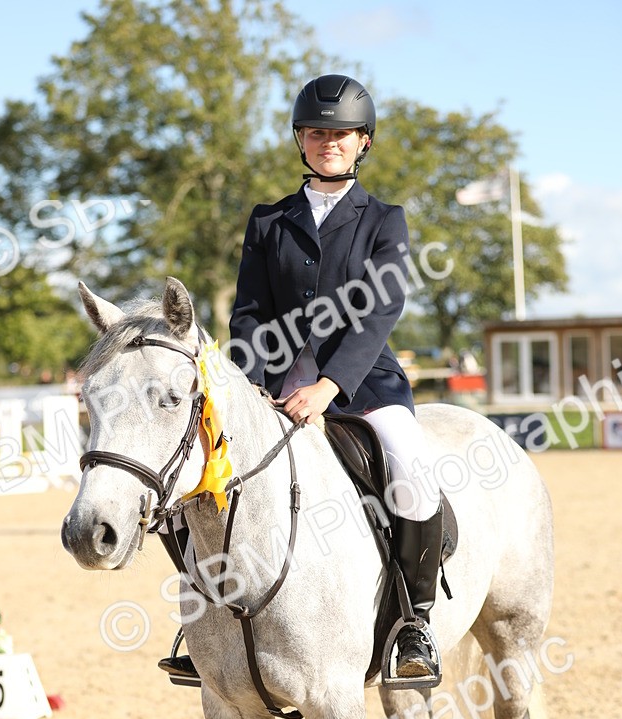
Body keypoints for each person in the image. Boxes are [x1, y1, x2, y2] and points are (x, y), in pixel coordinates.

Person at [159, 73, 444, 685]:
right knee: (192, 479)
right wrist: (252, 385)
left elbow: (380, 313)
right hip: (273, 384)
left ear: (364, 142)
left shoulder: (384, 220)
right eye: (316, 132)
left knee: (411, 466)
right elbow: (249, 311)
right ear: (301, 140)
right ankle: (202, 621)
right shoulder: (269, 221)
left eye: (341, 134)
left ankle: (413, 623)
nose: (328, 142)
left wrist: (330, 386)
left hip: (361, 385)